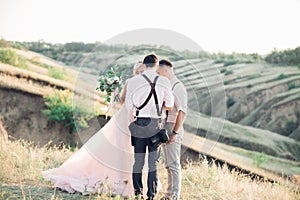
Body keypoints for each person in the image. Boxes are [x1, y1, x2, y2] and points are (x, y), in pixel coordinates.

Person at [42, 62, 146, 198]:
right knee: (123, 146)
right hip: (131, 116)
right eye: (140, 71)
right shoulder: (143, 84)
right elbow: (127, 101)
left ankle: (123, 178)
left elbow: (122, 101)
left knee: (122, 146)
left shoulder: (131, 82)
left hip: (128, 115)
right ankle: (122, 179)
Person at [125, 54, 174, 200]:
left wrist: (134, 115)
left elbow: (129, 105)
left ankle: (138, 194)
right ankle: (151, 195)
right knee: (153, 162)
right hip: (156, 124)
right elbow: (170, 105)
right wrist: (159, 108)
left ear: (144, 65)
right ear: (157, 65)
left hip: (139, 122)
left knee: (138, 161)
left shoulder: (134, 81)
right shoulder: (164, 81)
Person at [157, 59, 188, 200]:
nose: (158, 74)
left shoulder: (178, 87)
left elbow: (182, 112)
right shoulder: (167, 86)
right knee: (168, 164)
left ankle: (174, 196)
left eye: (159, 71)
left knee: (174, 164)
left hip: (173, 128)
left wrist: (175, 132)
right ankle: (168, 195)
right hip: (165, 127)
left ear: (165, 70)